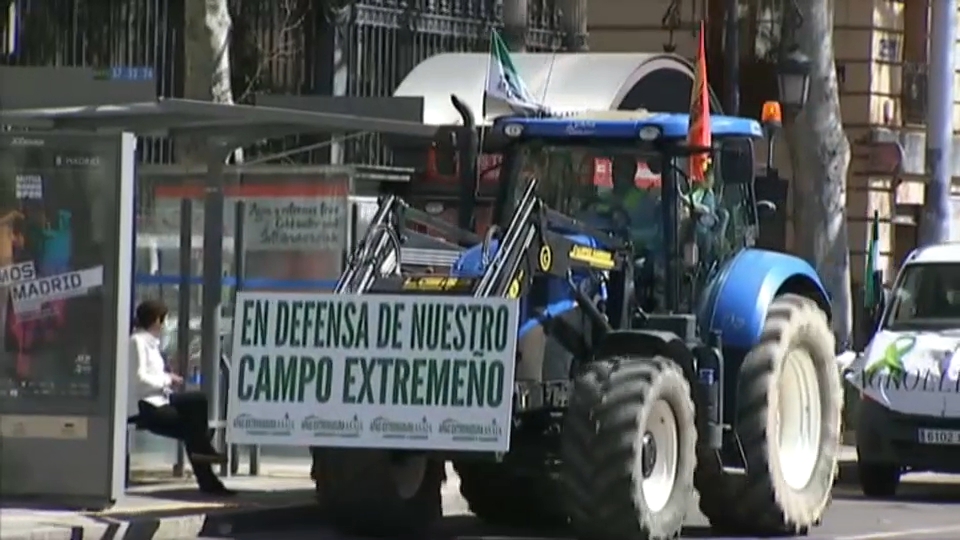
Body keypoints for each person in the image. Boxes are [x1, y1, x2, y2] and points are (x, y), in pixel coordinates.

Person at [128, 299, 235, 495]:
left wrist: (167, 381)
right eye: (163, 319)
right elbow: (139, 379)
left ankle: (205, 457)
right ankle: (207, 471)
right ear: (155, 320)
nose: (165, 324)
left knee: (197, 402)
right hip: (146, 404)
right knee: (192, 430)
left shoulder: (151, 344)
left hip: (161, 399)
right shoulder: (137, 342)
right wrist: (167, 379)